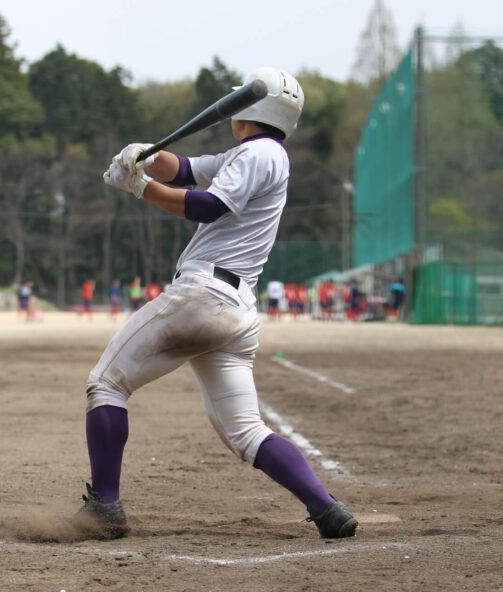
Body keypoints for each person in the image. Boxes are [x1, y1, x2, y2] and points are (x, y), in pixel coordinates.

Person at [74, 67, 357, 541]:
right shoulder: (258, 154)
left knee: (105, 383)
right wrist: (148, 156)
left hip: (202, 297)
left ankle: (104, 504)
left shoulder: (257, 154)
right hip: (236, 311)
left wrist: (140, 188)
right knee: (246, 430)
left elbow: (207, 205)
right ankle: (326, 508)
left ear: (249, 110)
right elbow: (187, 169)